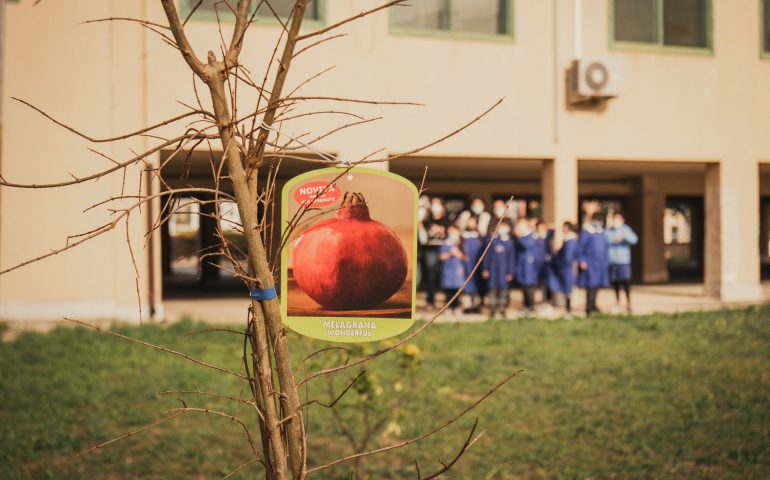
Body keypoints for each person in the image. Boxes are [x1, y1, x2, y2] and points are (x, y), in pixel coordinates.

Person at [605, 213, 639, 314]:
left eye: (618, 219)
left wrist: (623, 236)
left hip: (623, 261)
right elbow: (605, 242)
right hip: (612, 261)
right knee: (615, 283)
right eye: (614, 219)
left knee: (625, 282)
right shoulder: (608, 231)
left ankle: (629, 302)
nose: (616, 221)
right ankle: (618, 302)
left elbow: (634, 240)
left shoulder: (625, 229)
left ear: (622, 220)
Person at [577, 213, 610, 316]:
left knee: (596, 286)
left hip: (600, 264)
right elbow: (580, 248)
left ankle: (594, 305)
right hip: (590, 264)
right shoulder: (586, 232)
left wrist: (606, 261)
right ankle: (589, 308)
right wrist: (582, 260)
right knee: (590, 285)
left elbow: (605, 248)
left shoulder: (602, 233)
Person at [482, 219, 515, 318]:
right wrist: (486, 269)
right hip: (493, 270)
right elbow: (487, 256)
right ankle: (492, 309)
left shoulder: (509, 242)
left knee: (503, 291)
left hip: (504, 271)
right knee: (492, 291)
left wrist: (510, 272)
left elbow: (511, 259)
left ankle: (502, 308)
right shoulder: (492, 241)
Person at [421, 197, 450, 310]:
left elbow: (451, 234)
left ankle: (447, 301)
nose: (436, 207)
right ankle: (430, 301)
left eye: (438, 204)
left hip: (444, 249)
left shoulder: (447, 221)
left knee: (446, 275)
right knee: (431, 276)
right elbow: (423, 237)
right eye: (433, 204)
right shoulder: (426, 220)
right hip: (430, 250)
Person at [547, 221, 579, 316]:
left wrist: (560, 264)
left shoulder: (570, 241)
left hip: (566, 268)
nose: (562, 229)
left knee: (568, 289)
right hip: (564, 268)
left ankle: (568, 311)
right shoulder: (568, 240)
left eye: (564, 227)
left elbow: (567, 257)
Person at [514, 217, 540, 314]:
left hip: (529, 265)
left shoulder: (531, 236)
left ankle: (531, 306)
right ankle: (526, 306)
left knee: (529, 286)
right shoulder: (522, 236)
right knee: (524, 286)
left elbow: (527, 245)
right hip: (522, 264)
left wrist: (519, 237)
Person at [439, 225, 465, 316]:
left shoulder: (460, 244)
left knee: (457, 291)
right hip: (448, 271)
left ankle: (456, 307)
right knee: (448, 291)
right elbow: (441, 257)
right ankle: (448, 307)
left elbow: (464, 257)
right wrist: (450, 253)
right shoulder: (445, 244)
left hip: (457, 271)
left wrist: (458, 253)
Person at [460, 216, 484, 313]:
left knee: (477, 284)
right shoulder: (462, 236)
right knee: (466, 284)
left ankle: (476, 304)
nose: (471, 224)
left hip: (476, 264)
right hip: (466, 265)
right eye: (469, 222)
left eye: (473, 222)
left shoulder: (479, 236)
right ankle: (467, 305)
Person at [534, 220, 554, 305]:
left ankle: (548, 300)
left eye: (543, 227)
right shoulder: (535, 237)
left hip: (547, 263)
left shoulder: (547, 236)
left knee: (547, 283)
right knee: (541, 283)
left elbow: (554, 230)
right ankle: (543, 300)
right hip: (538, 263)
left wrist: (548, 226)